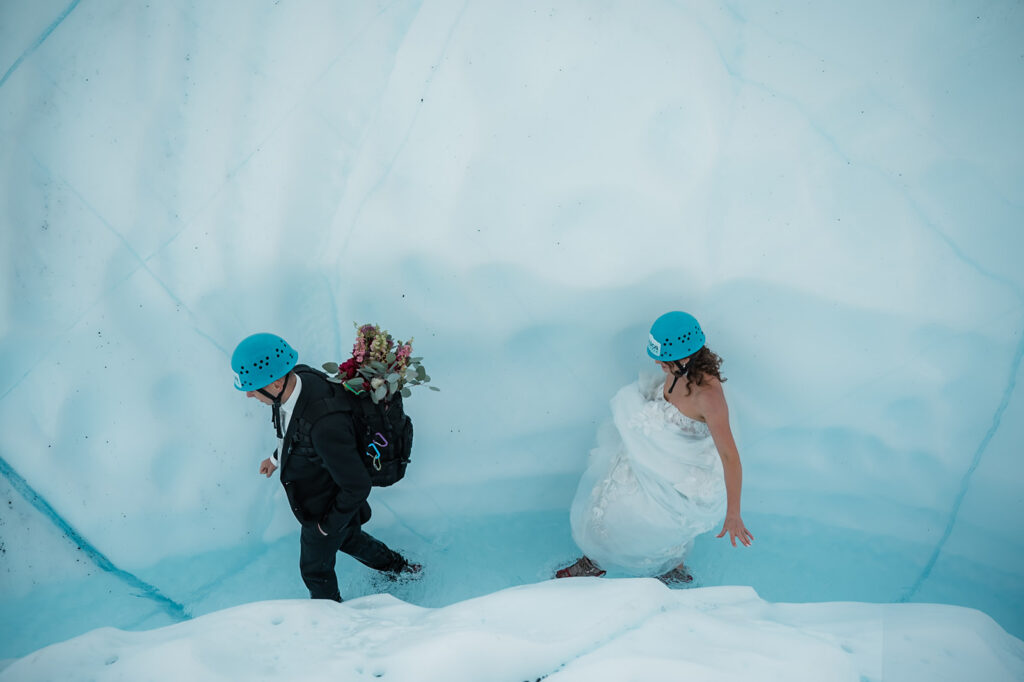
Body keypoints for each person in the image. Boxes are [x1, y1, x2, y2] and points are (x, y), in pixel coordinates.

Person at [556, 311, 753, 583]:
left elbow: (730, 456)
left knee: (646, 518)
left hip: (680, 472)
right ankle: (597, 559)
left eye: (664, 359)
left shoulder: (709, 397)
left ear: (686, 358)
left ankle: (666, 565)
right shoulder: (678, 370)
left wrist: (734, 514)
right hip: (653, 453)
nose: (658, 363)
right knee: (610, 502)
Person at [231, 332, 419, 602]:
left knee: (314, 571)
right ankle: (402, 568)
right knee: (351, 539)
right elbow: (291, 433)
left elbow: (357, 485)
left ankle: (331, 623)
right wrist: (275, 459)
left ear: (274, 384)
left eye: (251, 386)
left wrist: (325, 527)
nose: (249, 394)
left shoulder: (323, 425)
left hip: (323, 509)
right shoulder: (300, 377)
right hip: (328, 492)